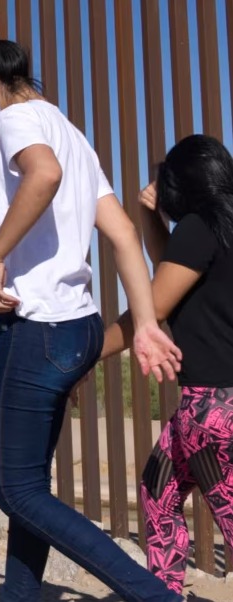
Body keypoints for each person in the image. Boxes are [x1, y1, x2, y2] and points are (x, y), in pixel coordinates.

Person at [0, 14, 183, 601]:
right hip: (74, 326)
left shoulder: (16, 119)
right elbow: (125, 234)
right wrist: (146, 322)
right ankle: (21, 595)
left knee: (18, 491)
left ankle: (157, 596)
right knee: (30, 483)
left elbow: (42, 176)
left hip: (36, 326)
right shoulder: (71, 133)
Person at [98, 135, 233, 595]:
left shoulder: (201, 226)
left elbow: (150, 308)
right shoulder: (218, 228)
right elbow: (173, 268)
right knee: (158, 495)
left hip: (212, 411)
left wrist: (87, 353)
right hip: (207, 409)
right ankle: (164, 593)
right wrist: (148, 217)